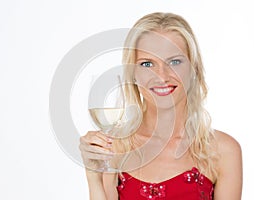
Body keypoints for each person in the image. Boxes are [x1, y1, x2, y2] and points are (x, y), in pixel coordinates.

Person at [79, 12, 242, 200]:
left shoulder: (223, 150)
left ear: (193, 68)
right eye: (147, 64)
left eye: (174, 62)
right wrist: (93, 176)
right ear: (133, 73)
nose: (162, 76)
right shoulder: (116, 147)